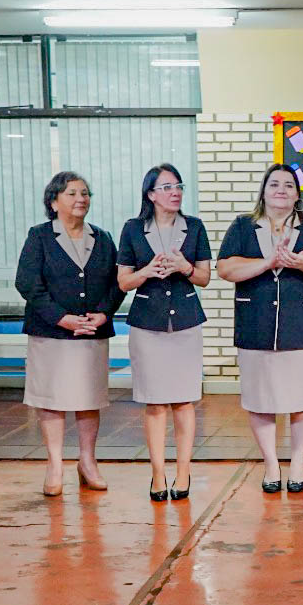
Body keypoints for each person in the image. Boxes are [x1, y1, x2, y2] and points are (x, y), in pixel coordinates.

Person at [216, 164, 303, 495]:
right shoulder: (243, 226)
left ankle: (298, 461)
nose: (281, 190)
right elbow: (226, 268)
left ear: (297, 194)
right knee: (260, 398)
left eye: (288, 185)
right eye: (274, 184)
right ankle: (271, 463)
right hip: (256, 324)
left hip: (302, 325)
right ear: (264, 191)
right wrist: (267, 262)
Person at [16, 171, 123, 498]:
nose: (81, 199)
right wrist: (62, 319)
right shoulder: (39, 236)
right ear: (54, 201)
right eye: (72, 193)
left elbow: (117, 281)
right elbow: (28, 283)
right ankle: (54, 465)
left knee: (89, 399)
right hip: (52, 332)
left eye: (85, 193)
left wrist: (104, 313)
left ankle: (87, 461)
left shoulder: (102, 238)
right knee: (52, 399)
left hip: (91, 332)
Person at [116, 163, 212, 501]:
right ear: (151, 194)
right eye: (168, 187)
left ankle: (183, 470)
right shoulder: (132, 229)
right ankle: (158, 473)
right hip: (147, 322)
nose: (175, 192)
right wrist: (148, 271)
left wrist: (183, 267)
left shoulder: (195, 228)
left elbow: (204, 277)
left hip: (186, 321)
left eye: (179, 186)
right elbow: (124, 281)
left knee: (184, 401)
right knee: (154, 403)